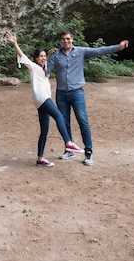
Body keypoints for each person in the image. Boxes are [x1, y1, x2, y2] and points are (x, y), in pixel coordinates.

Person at [47, 30, 129, 166]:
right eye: (63, 39)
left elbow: (99, 51)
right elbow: (47, 71)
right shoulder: (56, 55)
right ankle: (69, 149)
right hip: (61, 93)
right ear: (61, 41)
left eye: (68, 39)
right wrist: (48, 55)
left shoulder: (81, 52)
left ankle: (88, 152)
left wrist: (118, 47)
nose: (66, 41)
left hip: (77, 92)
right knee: (64, 121)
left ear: (72, 39)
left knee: (82, 120)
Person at [5, 31, 84, 167]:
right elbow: (22, 56)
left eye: (44, 56)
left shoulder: (44, 69)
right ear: (36, 58)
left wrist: (49, 55)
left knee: (44, 130)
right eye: (40, 56)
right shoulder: (34, 67)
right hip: (42, 98)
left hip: (40, 101)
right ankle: (68, 143)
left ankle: (40, 158)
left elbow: (47, 64)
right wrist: (15, 43)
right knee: (59, 116)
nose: (43, 58)